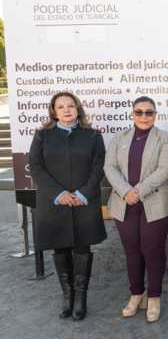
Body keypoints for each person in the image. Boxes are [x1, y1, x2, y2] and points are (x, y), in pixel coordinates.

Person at [28, 91, 107, 321]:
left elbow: (98, 167)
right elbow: (36, 167)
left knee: (82, 248)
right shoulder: (42, 135)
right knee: (60, 248)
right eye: (60, 107)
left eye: (70, 106)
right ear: (54, 111)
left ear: (77, 108)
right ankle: (67, 297)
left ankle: (81, 299)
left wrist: (83, 193)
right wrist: (59, 194)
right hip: (54, 203)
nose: (66, 110)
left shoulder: (93, 135)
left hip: (84, 201)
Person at [104, 96, 168, 322]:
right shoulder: (119, 138)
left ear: (155, 115)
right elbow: (110, 167)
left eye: (149, 112)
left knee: (152, 249)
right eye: (139, 112)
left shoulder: (165, 138)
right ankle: (137, 294)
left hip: (156, 202)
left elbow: (165, 170)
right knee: (132, 250)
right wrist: (126, 191)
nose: (144, 116)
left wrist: (138, 191)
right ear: (132, 114)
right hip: (124, 202)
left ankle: (154, 297)